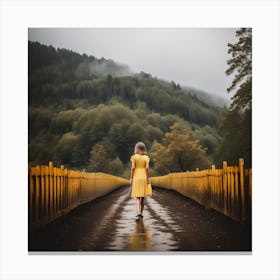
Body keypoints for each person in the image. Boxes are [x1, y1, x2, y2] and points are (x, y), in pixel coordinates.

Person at [129, 142, 152, 218]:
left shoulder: (134, 157)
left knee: (137, 197)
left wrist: (131, 178)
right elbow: (147, 168)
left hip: (136, 177)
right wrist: (148, 178)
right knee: (143, 197)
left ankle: (138, 211)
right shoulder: (146, 158)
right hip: (144, 177)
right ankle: (141, 212)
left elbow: (132, 168)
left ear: (136, 149)